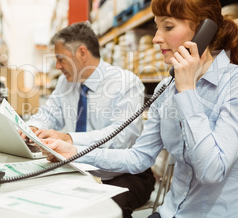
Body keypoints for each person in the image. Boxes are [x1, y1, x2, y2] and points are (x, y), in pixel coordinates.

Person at [40, 0, 238, 218]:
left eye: (168, 27)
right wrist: (74, 151)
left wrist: (187, 91)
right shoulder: (166, 88)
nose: (156, 38)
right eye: (156, 27)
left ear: (204, 30)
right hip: (171, 212)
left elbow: (212, 170)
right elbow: (139, 157)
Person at [21, 22, 155, 218]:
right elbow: (49, 113)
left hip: (123, 174)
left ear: (82, 53)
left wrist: (69, 139)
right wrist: (33, 127)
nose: (57, 66)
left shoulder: (125, 82)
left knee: (100, 212)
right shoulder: (65, 82)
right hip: (78, 166)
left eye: (60, 59)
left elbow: (121, 138)